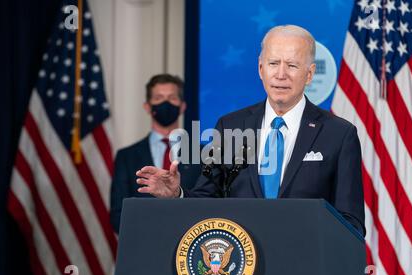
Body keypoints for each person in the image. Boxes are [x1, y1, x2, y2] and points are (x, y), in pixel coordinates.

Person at [135, 25, 365, 236]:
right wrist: (178, 195)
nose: (281, 74)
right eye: (274, 63)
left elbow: (351, 221)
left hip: (307, 268)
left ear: (310, 74)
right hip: (241, 269)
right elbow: (207, 198)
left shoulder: (339, 134)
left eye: (292, 65)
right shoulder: (230, 127)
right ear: (261, 68)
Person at [110, 74, 201, 233]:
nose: (165, 103)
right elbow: (118, 215)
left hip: (190, 246)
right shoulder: (127, 157)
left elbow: (210, 204)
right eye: (159, 98)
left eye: (172, 98)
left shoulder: (204, 154)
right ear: (147, 107)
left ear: (182, 106)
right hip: (144, 247)